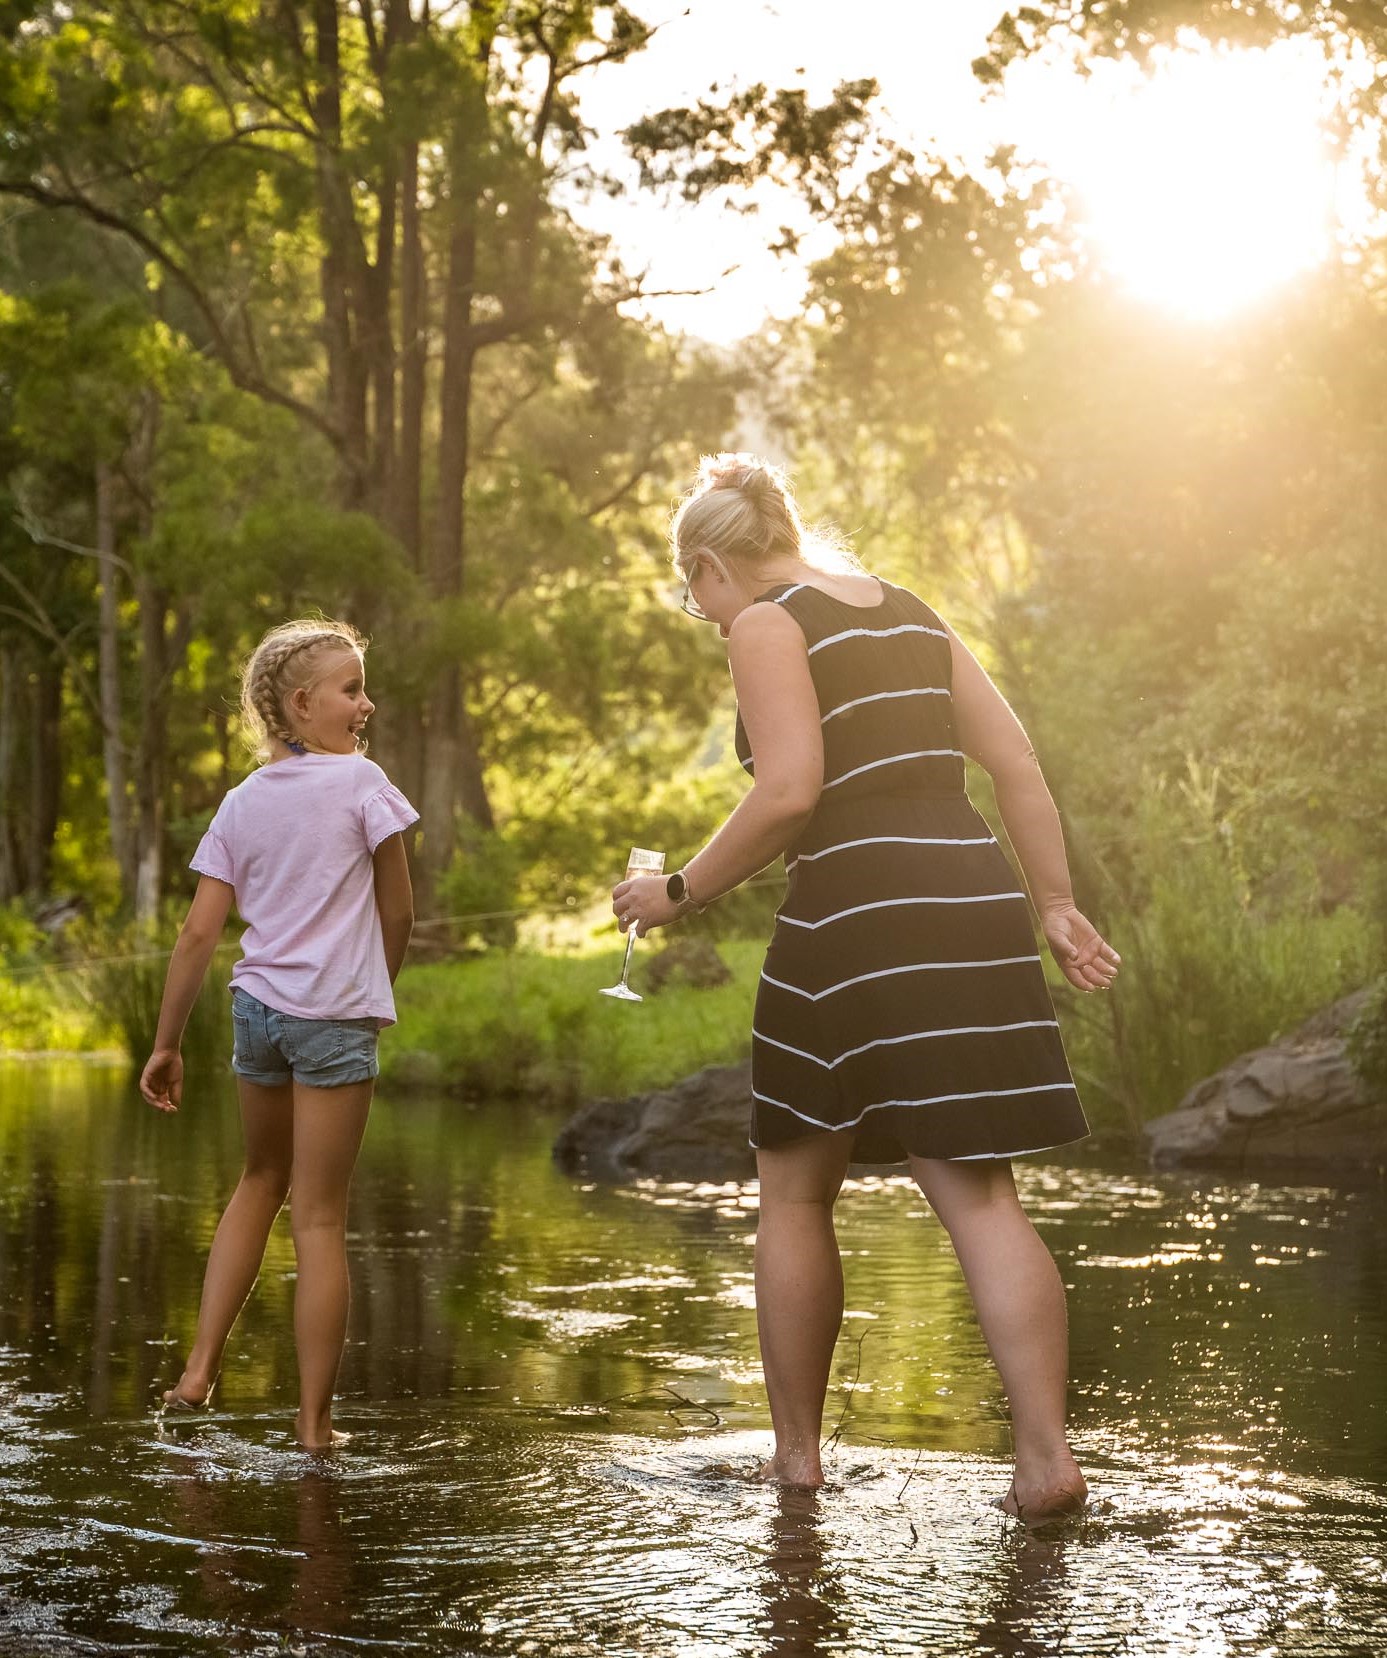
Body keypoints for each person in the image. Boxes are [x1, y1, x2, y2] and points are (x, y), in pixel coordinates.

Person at [612, 454, 1119, 1520]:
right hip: (970, 893)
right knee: (982, 1194)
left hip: (856, 906)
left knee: (795, 1190)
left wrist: (675, 890)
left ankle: (797, 1462)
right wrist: (1057, 903)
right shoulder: (908, 607)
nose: (705, 618)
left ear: (710, 564)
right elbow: (1016, 763)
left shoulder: (766, 621)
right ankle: (1044, 1460)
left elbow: (791, 791)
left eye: (691, 593)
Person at [140, 618, 418, 1450]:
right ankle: (313, 1426)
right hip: (330, 1018)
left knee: (258, 1180)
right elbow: (398, 911)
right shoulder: (366, 784)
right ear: (302, 704)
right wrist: (373, 991)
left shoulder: (241, 800)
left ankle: (196, 1376)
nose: (365, 704)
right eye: (350, 689)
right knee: (321, 1220)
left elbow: (197, 936)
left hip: (255, 1012)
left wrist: (165, 1042)